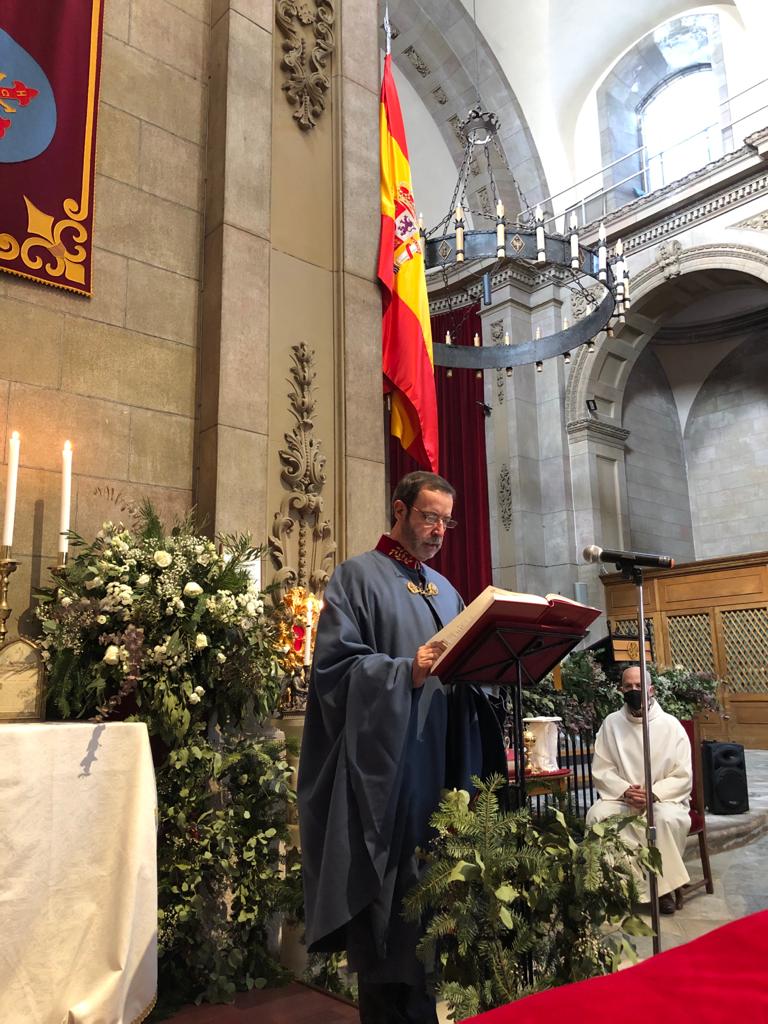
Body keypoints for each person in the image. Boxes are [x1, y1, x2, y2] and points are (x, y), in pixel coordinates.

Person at [298, 471, 504, 1024]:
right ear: (399, 510)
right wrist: (403, 671)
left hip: (441, 770)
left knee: (435, 913)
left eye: (446, 522)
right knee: (392, 927)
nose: (438, 531)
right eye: (429, 517)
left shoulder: (447, 590)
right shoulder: (357, 577)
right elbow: (334, 670)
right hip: (388, 776)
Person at [585, 664, 693, 915]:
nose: (634, 690)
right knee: (597, 816)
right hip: (623, 798)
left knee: (663, 820)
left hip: (662, 799)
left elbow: (683, 775)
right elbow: (602, 768)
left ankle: (661, 889)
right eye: (628, 686)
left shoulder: (671, 726)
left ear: (651, 689)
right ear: (621, 689)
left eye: (639, 686)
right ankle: (616, 887)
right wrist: (625, 790)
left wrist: (652, 793)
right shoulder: (611, 724)